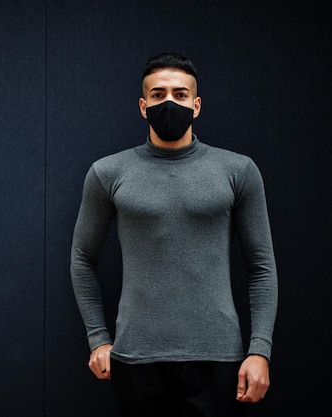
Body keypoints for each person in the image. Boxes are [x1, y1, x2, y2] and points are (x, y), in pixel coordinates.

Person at [70, 52, 278, 417]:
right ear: (142, 105)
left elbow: (261, 265)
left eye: (180, 95)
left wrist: (260, 349)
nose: (169, 103)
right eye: (158, 94)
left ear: (196, 105)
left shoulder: (238, 170)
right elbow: (82, 258)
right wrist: (98, 338)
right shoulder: (108, 173)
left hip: (218, 358)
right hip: (135, 359)